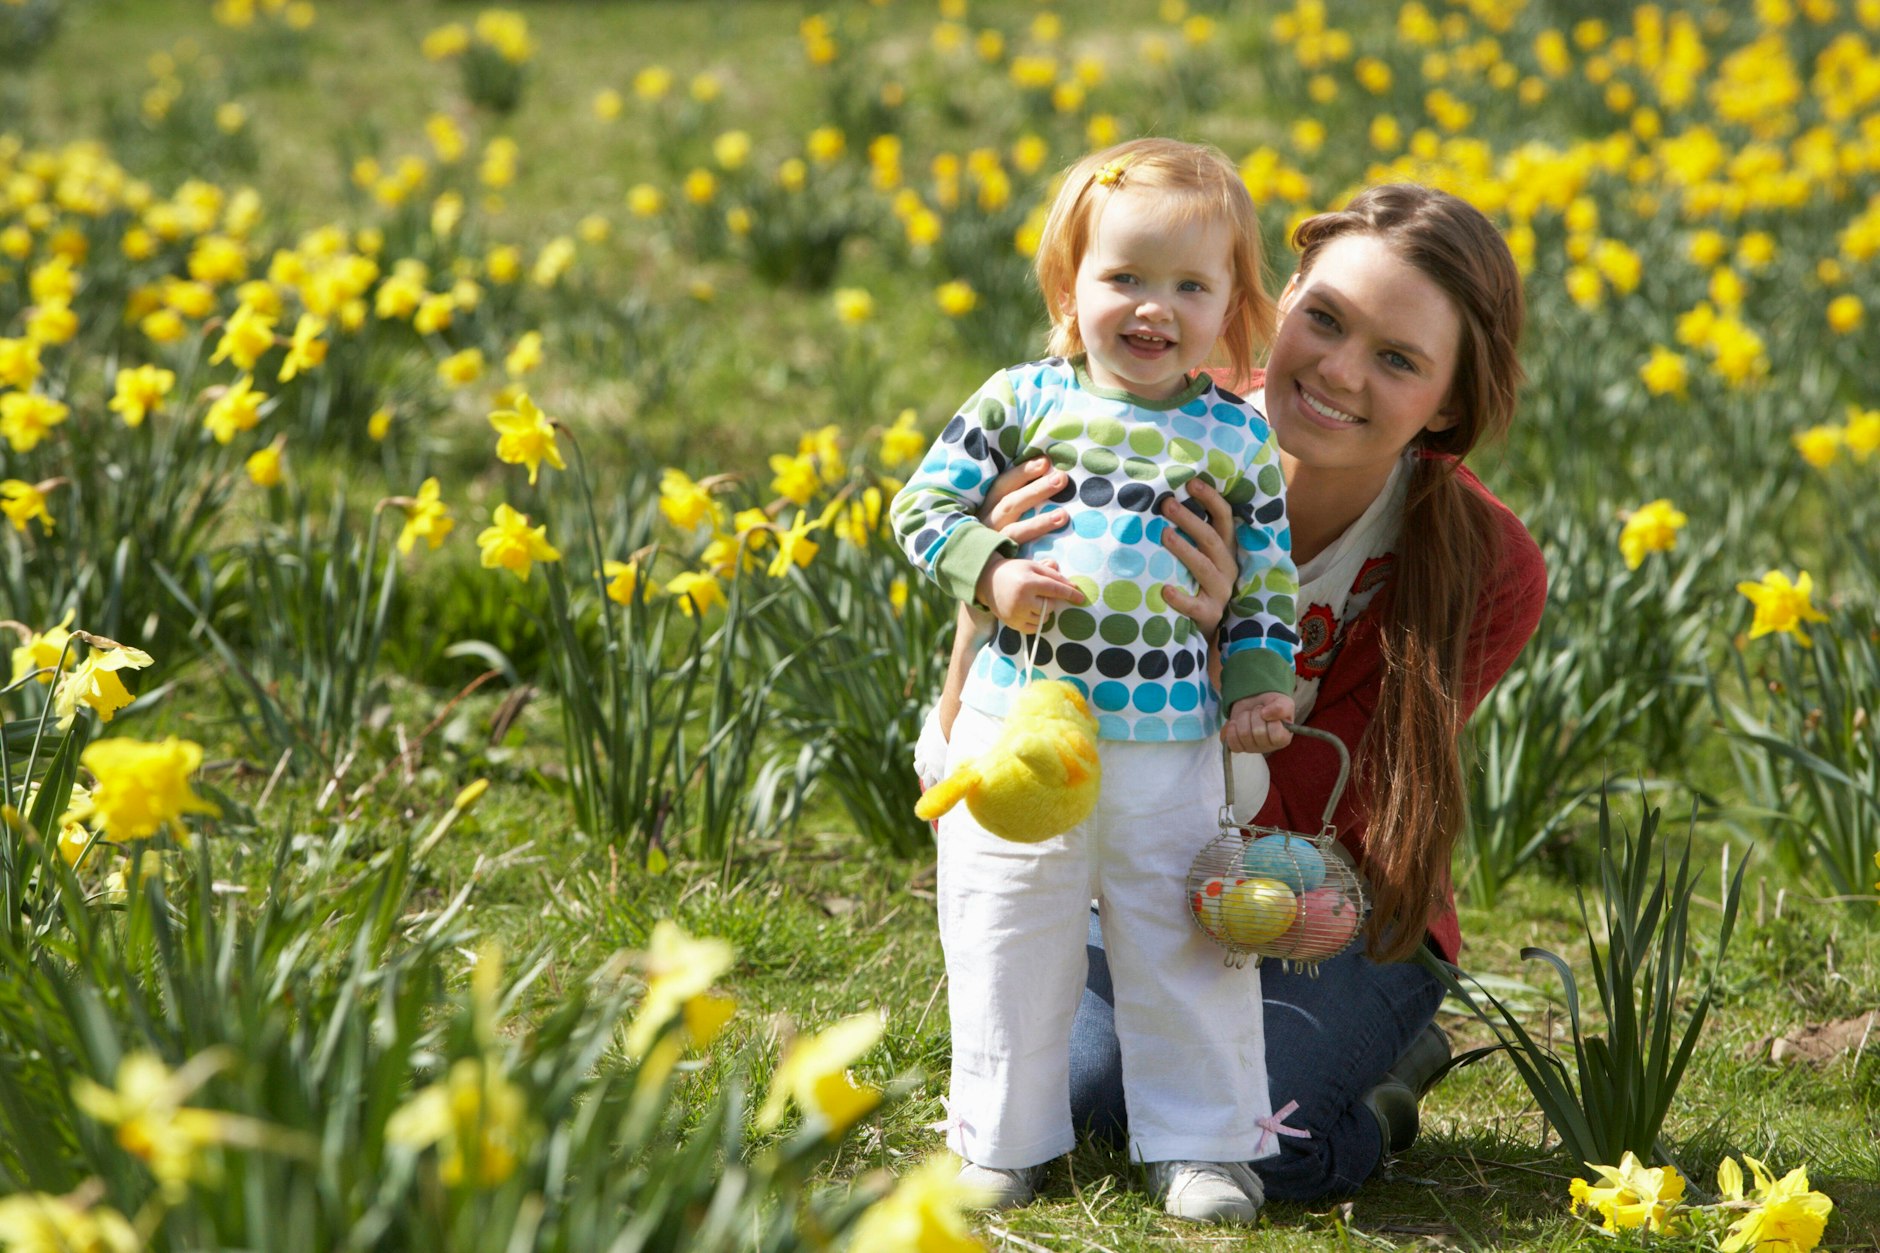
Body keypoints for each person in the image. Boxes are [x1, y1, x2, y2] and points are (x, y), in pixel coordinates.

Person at [929, 182, 1548, 1203]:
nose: (1340, 372)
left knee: (1267, 1141)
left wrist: (1227, 651)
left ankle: (1388, 1072)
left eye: (1396, 359)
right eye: (1325, 319)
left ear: (1444, 398)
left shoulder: (1484, 563)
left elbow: (1332, 816)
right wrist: (993, 564)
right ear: (1281, 295)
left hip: (1324, 904)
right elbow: (981, 693)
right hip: (1113, 867)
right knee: (1082, 1099)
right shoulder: (1130, 424)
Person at [888, 137, 1301, 1225]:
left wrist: (1259, 683)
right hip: (1017, 725)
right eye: (1122, 276)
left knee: (1181, 934)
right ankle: (996, 1137)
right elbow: (918, 509)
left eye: (1187, 285)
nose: (1151, 307)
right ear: (1068, 282)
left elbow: (1262, 577)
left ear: (1230, 308)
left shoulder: (1234, 436)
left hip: (1167, 737)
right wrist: (993, 567)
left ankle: (1204, 1143)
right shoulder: (1017, 399)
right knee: (1001, 923)